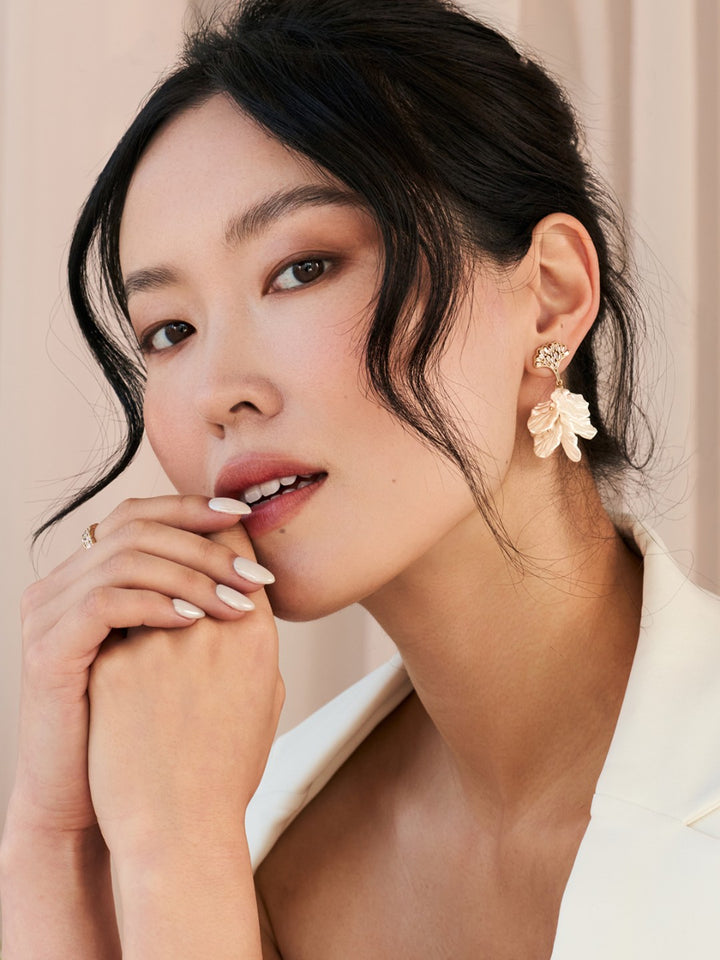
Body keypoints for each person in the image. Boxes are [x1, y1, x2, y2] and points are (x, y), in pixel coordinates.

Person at [1, 0, 719, 956]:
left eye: (301, 269)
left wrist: (182, 866)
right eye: (169, 331)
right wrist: (58, 836)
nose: (221, 393)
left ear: (550, 296)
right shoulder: (227, 832)